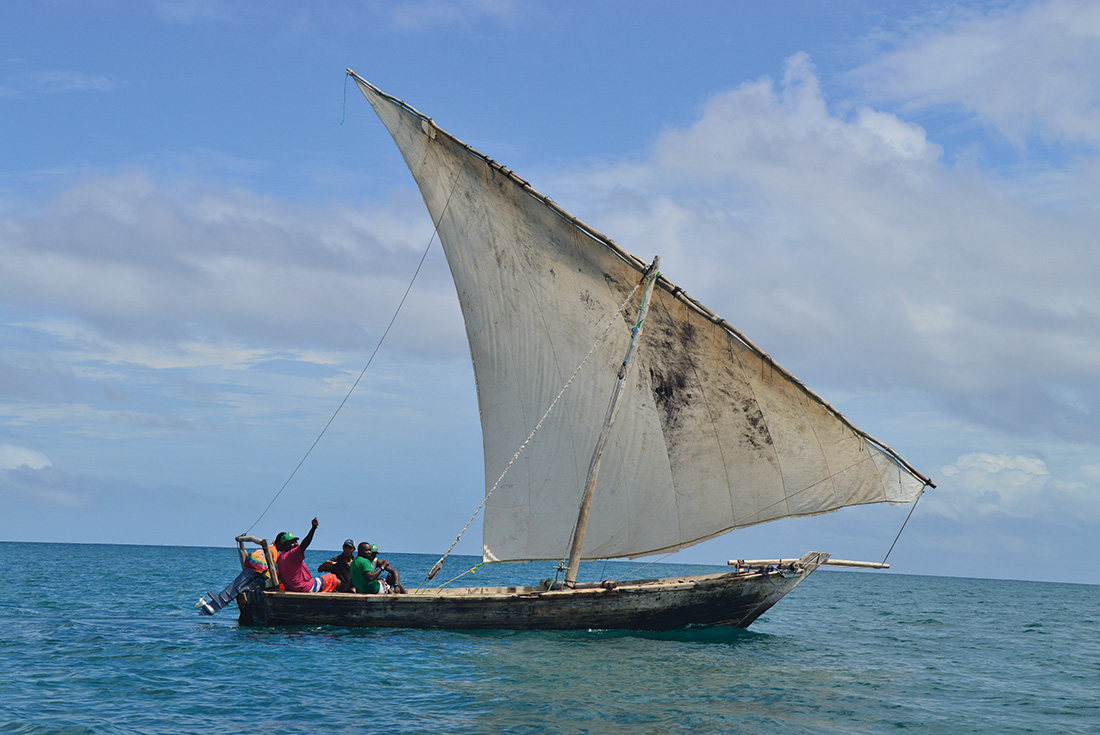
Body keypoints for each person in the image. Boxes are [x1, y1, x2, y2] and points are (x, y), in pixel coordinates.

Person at [274, 517, 339, 593]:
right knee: (332, 577)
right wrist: (313, 528)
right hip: (304, 588)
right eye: (292, 542)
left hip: (294, 588)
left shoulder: (281, 557)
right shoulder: (291, 554)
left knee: (321, 581)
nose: (296, 544)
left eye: (296, 541)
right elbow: (304, 544)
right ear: (285, 544)